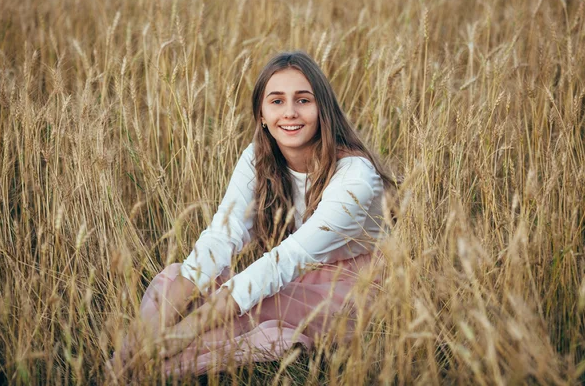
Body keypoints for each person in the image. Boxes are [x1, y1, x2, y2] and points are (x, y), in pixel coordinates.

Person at [118, 51, 396, 377]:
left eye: (303, 100)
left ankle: (147, 372)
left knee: (243, 313)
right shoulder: (259, 157)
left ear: (323, 110)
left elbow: (290, 257)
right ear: (261, 115)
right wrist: (163, 320)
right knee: (173, 280)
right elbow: (225, 231)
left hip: (352, 284)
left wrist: (187, 328)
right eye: (276, 101)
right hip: (291, 269)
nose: (290, 112)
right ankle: (130, 356)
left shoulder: (354, 177)